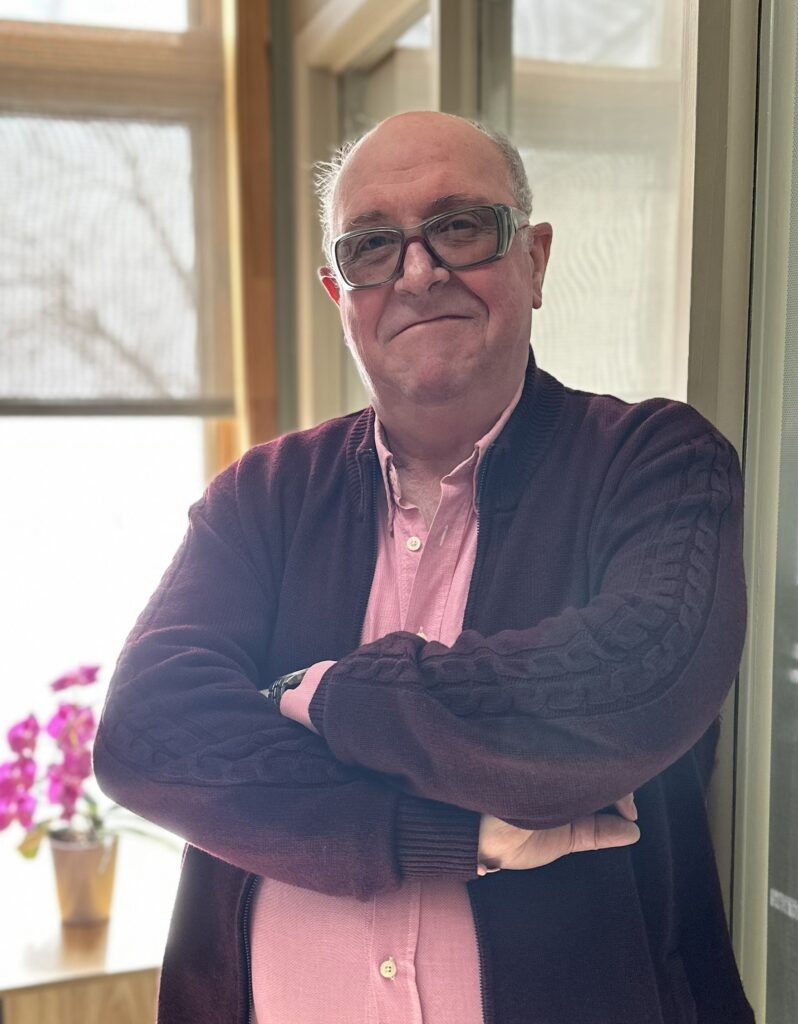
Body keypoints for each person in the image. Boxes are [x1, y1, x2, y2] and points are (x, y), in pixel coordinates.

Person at [94, 111, 754, 1024]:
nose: (417, 272)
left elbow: (625, 692)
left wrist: (320, 695)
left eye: (460, 226)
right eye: (372, 245)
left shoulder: (657, 461)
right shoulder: (263, 495)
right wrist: (447, 830)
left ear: (535, 260)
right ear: (339, 292)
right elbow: (145, 735)